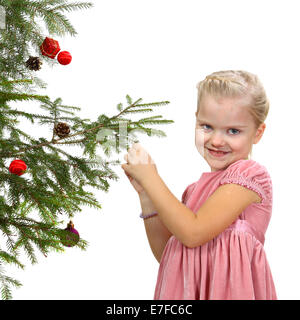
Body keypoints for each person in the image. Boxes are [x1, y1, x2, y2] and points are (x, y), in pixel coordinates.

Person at [121, 70, 277, 300]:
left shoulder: (250, 175)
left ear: (258, 132)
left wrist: (152, 178)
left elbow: (193, 233)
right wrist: (146, 195)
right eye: (206, 126)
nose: (216, 140)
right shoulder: (192, 192)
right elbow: (170, 254)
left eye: (233, 131)